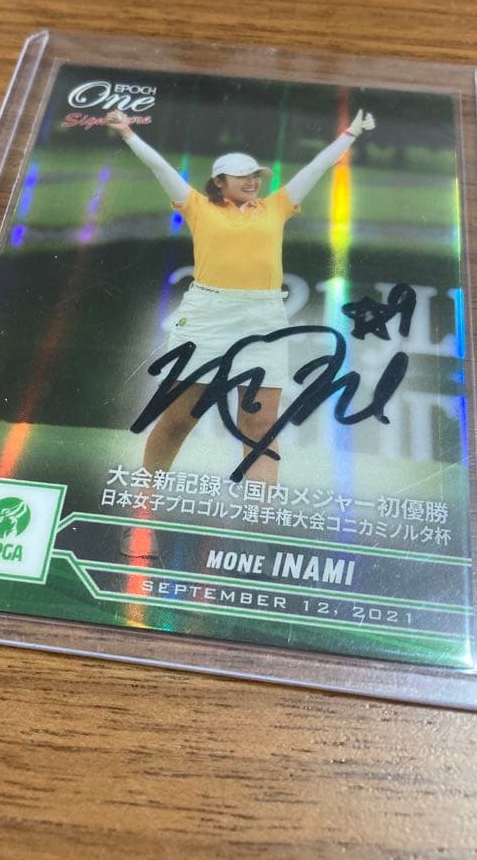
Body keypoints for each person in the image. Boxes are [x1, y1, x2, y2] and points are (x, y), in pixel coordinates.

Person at [106, 105, 374, 549]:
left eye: (256, 176)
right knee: (178, 418)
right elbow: (161, 168)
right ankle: (142, 514)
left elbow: (315, 168)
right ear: (219, 182)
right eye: (243, 176)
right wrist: (128, 134)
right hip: (208, 315)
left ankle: (257, 535)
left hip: (264, 316)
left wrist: (350, 134)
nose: (253, 182)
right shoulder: (196, 206)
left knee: (261, 423)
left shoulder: (275, 207)